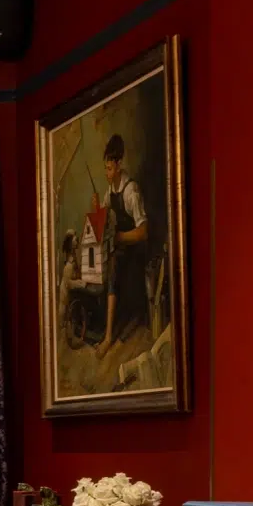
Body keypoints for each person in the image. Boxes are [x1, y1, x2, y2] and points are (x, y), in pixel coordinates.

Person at [96, 134, 152, 355]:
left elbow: (143, 232)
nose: (106, 173)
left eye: (109, 168)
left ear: (119, 165)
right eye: (105, 168)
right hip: (121, 245)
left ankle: (109, 336)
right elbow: (102, 215)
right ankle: (106, 323)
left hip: (136, 248)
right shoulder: (111, 190)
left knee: (114, 266)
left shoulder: (131, 191)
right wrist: (96, 211)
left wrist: (119, 238)